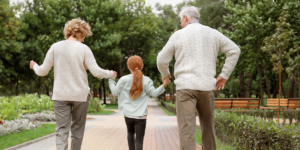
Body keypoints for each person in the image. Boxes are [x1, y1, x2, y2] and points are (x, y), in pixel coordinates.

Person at [156, 6, 241, 150]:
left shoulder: (178, 35)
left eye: (180, 20)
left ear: (185, 18)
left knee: (186, 130)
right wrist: (224, 75)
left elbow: (161, 59)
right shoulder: (213, 33)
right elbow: (234, 50)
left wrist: (165, 75)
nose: (180, 23)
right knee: (208, 129)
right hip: (207, 88)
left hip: (185, 88)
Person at [29, 18, 117, 150]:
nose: (84, 40)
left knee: (61, 131)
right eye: (84, 36)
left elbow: (42, 71)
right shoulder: (84, 49)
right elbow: (96, 72)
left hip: (60, 95)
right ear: (81, 33)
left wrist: (35, 66)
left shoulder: (55, 47)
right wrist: (110, 73)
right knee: (77, 131)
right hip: (80, 96)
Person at [108, 55, 170, 150]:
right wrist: (164, 84)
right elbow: (154, 93)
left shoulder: (123, 79)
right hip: (141, 116)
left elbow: (115, 92)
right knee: (139, 139)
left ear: (128, 67)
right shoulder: (147, 80)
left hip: (128, 115)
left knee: (130, 133)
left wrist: (111, 80)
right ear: (142, 66)